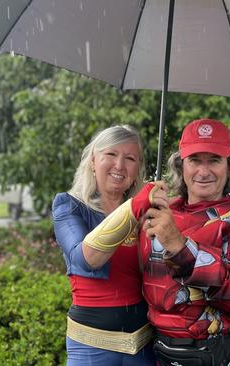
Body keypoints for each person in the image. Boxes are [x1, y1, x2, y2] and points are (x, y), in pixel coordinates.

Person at [134, 118, 230, 365]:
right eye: (194, 160)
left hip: (225, 355)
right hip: (163, 355)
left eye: (214, 160)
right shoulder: (161, 212)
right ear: (181, 166)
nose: (203, 171)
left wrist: (180, 248)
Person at [51, 125, 155, 366]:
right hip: (90, 346)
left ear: (137, 169)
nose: (120, 165)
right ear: (92, 161)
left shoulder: (146, 212)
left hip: (143, 343)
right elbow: (85, 259)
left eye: (130, 158)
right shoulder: (68, 205)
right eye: (111, 154)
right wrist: (134, 207)